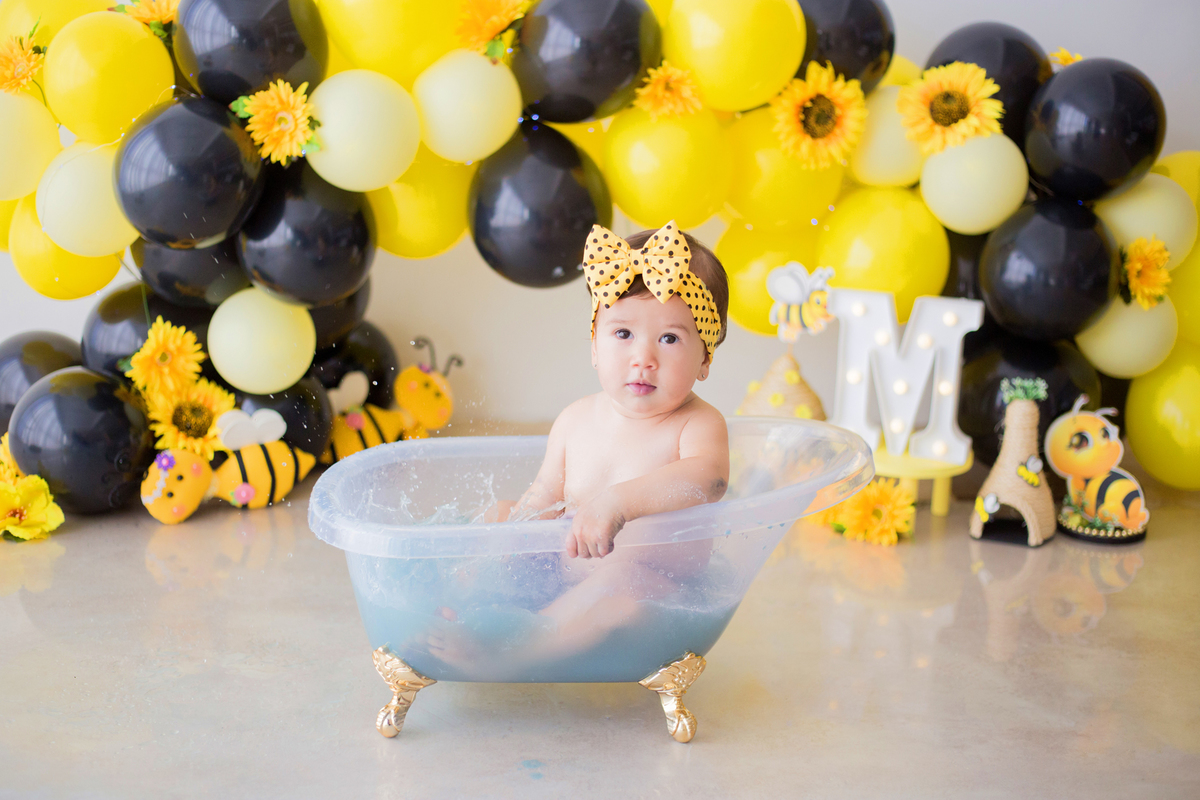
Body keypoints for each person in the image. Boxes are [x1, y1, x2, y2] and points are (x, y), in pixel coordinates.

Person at [431, 221, 731, 670]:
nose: (643, 358)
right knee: (501, 514)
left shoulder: (697, 424)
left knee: (621, 585)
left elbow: (709, 479)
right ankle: (457, 603)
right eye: (623, 334)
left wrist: (618, 503)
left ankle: (515, 653)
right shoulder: (575, 420)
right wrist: (510, 539)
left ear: (704, 358)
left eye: (669, 339)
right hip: (563, 570)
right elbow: (543, 497)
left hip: (655, 589)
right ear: (594, 345)